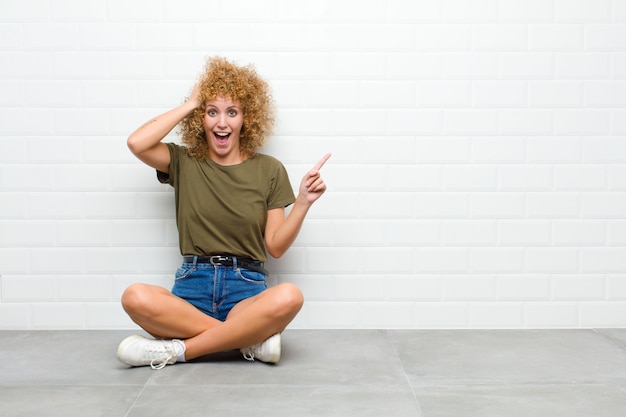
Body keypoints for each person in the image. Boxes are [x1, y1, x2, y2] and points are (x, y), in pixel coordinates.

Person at [116, 56, 330, 369]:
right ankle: (246, 341)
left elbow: (276, 247)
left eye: (232, 112)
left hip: (246, 290)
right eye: (211, 111)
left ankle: (177, 351)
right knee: (134, 296)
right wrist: (191, 103)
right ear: (200, 118)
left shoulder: (269, 170)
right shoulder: (185, 162)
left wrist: (303, 202)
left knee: (289, 296)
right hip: (191, 290)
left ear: (246, 118)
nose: (221, 122)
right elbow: (137, 143)